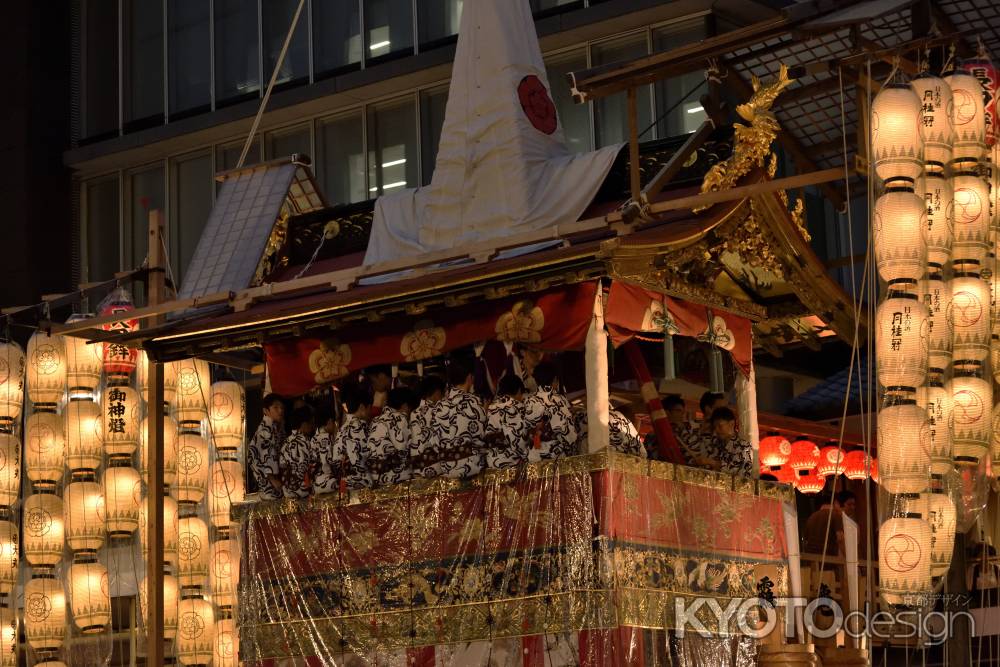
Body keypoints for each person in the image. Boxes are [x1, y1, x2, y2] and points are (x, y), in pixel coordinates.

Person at [429, 359, 488, 479]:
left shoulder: (439, 407)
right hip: (472, 468)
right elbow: (482, 436)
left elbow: (433, 441)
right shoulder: (473, 402)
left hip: (447, 470)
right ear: (470, 377)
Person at [523, 362, 578, 460]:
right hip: (555, 454)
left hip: (534, 454)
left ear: (536, 381)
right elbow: (566, 431)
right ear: (555, 379)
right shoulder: (558, 400)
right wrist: (572, 450)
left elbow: (524, 431)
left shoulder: (528, 401)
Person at [368, 386, 418, 486]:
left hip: (377, 478)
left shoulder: (375, 421)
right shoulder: (400, 418)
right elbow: (403, 448)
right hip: (397, 478)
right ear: (405, 406)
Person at [331, 385, 374, 491]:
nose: (370, 412)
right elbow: (368, 455)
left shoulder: (342, 429)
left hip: (342, 485)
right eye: (369, 408)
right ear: (362, 407)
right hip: (360, 484)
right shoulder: (361, 425)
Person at [485, 374, 531, 469]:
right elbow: (518, 442)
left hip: (492, 461)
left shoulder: (491, 408)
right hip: (511, 463)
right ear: (519, 390)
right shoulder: (517, 406)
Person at [247, 394, 286, 500]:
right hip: (268, 481)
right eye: (276, 407)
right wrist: (272, 479)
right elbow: (267, 455)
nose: (280, 411)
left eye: (282, 407)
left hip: (271, 477)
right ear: (266, 410)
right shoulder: (266, 429)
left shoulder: (275, 427)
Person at [280, 405, 318, 499]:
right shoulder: (304, 442)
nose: (313, 427)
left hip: (287, 493)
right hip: (303, 494)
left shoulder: (286, 442)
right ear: (304, 424)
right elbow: (307, 469)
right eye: (311, 423)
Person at [703, 407, 753, 477]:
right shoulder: (715, 445)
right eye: (715, 427)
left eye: (720, 426)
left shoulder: (744, 446)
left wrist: (712, 463)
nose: (716, 430)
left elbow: (736, 473)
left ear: (732, 424)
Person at [310, 406, 337, 494]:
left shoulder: (314, 438)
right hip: (326, 482)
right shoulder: (325, 437)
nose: (335, 425)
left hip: (315, 481)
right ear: (329, 421)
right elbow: (326, 462)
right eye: (334, 422)